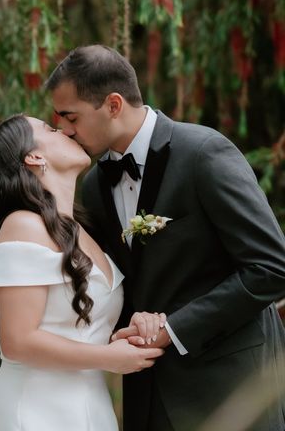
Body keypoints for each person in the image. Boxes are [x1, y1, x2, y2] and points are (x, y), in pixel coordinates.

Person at [45, 44, 285, 431]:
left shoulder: (204, 154)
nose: (64, 130)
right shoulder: (92, 186)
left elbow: (272, 268)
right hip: (147, 393)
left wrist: (172, 330)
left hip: (233, 387)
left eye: (71, 117)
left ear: (113, 104)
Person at [0, 114, 165, 431]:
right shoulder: (23, 225)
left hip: (88, 411)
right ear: (34, 156)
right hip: (33, 413)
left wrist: (130, 330)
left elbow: (80, 327)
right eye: (51, 129)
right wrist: (108, 358)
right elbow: (17, 341)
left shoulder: (82, 231)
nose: (67, 131)